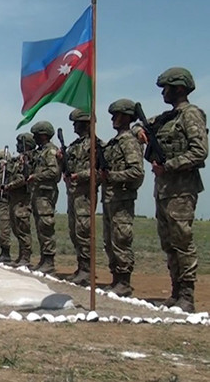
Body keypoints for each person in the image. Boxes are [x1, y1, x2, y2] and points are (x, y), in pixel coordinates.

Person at [137, 67, 207, 312]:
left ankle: (187, 295)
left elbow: (200, 151)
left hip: (181, 189)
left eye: (166, 88)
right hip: (164, 190)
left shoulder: (191, 115)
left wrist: (169, 166)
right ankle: (176, 291)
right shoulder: (167, 117)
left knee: (182, 241)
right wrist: (141, 133)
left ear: (178, 88)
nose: (162, 93)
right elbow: (140, 127)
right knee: (168, 242)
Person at [99, 99, 144, 297]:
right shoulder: (114, 142)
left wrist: (111, 177)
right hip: (109, 199)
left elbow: (137, 172)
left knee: (121, 240)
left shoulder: (128, 141)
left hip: (122, 199)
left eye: (116, 115)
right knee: (110, 242)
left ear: (126, 117)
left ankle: (124, 282)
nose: (112, 119)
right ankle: (116, 279)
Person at [63, 109, 101, 286]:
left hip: (86, 194)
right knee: (75, 232)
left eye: (76, 122)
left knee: (84, 232)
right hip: (74, 194)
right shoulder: (74, 146)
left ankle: (87, 270)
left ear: (85, 124)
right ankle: (81, 266)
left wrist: (80, 175)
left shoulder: (96, 144)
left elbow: (99, 171)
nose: (73, 126)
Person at [27, 121, 61, 274]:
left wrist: (36, 176)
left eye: (36, 135)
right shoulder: (42, 151)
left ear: (43, 135)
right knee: (40, 226)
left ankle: (49, 260)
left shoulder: (50, 151)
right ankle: (43, 258)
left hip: (46, 193)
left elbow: (54, 172)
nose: (34, 138)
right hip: (38, 193)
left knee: (46, 226)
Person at [4, 133, 35, 267]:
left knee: (23, 227)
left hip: (23, 198)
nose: (17, 146)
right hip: (14, 198)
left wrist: (8, 186)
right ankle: (21, 255)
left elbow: (23, 178)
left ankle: (26, 257)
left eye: (20, 143)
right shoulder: (18, 160)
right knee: (16, 227)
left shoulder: (30, 159)